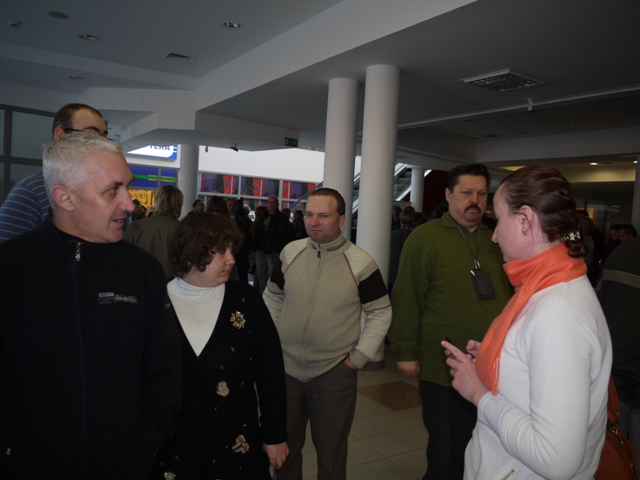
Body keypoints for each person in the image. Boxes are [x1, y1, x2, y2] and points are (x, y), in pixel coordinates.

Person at [0, 132, 182, 479]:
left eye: (127, 187)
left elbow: (164, 368)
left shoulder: (142, 271)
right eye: (112, 190)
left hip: (124, 464)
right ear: (65, 198)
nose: (129, 204)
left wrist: (146, 443)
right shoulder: (9, 268)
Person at [445, 165, 612, 480]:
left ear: (525, 221)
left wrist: (479, 394)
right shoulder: (550, 284)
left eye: (499, 220)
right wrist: (504, 359)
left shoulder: (557, 312)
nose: (494, 236)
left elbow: (556, 460)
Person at [388, 163, 512, 480]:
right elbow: (407, 297)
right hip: (442, 369)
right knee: (446, 452)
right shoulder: (425, 238)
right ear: (448, 194)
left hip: (491, 368)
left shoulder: (498, 240)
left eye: (481, 194)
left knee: (483, 447)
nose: (474, 201)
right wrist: (405, 351)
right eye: (466, 193)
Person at [263, 188, 392, 480]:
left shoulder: (361, 263)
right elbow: (272, 296)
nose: (314, 222)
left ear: (341, 219)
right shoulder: (291, 253)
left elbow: (381, 312)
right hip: (285, 371)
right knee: (283, 450)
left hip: (334, 374)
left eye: (323, 215)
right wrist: (273, 342)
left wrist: (355, 361)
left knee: (331, 455)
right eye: (309, 214)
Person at [153, 213, 288, 480]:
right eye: (220, 251)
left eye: (232, 250)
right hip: (171, 448)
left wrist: (274, 434)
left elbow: (270, 372)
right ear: (191, 253)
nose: (231, 259)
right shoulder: (154, 303)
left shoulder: (246, 300)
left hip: (236, 447)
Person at [0, 103, 108, 243]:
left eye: (104, 137)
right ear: (61, 136)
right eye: (91, 135)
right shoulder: (31, 192)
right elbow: (7, 251)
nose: (101, 144)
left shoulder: (100, 189)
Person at [598, 235, 640, 455]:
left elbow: (597, 302)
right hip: (625, 374)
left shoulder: (621, 252)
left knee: (612, 453)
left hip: (613, 372)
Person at [124, 185, 184, 280]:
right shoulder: (184, 229)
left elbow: (124, 258)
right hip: (174, 282)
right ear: (179, 204)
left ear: (157, 201)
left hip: (141, 280)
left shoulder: (137, 226)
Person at [252, 195, 290, 295]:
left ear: (277, 204)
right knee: (260, 273)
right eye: (269, 202)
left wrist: (276, 247)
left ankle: (270, 294)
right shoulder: (263, 216)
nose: (271, 204)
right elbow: (258, 232)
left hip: (272, 250)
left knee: (272, 274)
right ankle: (263, 294)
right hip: (260, 248)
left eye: (273, 202)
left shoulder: (281, 218)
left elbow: (285, 235)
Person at [388, 205, 415, 295]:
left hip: (391, 273)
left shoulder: (392, 234)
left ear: (400, 220)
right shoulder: (416, 236)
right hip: (409, 275)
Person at [227, 197, 253, 282]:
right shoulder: (221, 220)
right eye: (230, 205)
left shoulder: (243, 220)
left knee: (241, 274)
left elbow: (247, 236)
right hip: (227, 250)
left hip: (240, 251)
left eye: (234, 206)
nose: (232, 208)